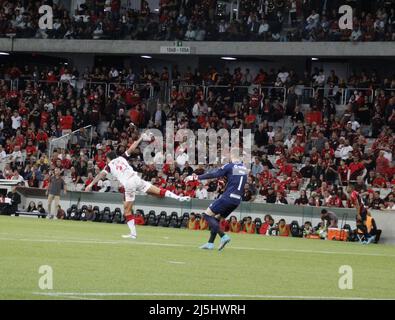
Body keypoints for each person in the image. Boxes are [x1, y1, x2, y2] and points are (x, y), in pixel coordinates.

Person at [85, 132, 190, 239]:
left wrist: (91, 185)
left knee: (127, 210)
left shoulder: (109, 165)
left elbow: (100, 175)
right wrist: (140, 138)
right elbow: (132, 147)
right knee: (157, 191)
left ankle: (133, 234)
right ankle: (178, 197)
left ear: (108, 158)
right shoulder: (122, 158)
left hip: (129, 184)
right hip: (136, 179)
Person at [184, 148, 248, 251]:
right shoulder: (244, 169)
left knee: (206, 215)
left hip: (228, 197)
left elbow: (214, 174)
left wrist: (196, 177)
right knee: (216, 219)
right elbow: (235, 181)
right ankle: (210, 243)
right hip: (236, 200)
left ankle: (223, 236)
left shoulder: (230, 165)